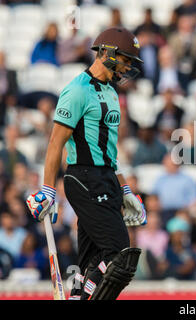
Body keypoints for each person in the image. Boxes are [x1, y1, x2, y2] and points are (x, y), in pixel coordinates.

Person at [26, 27, 147, 300]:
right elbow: (56, 143)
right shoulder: (77, 89)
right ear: (108, 53)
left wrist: (125, 189)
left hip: (106, 180)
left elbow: (110, 153)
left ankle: (80, 294)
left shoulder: (112, 92)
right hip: (84, 179)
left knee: (92, 262)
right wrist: (48, 189)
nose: (128, 67)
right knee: (119, 256)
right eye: (126, 59)